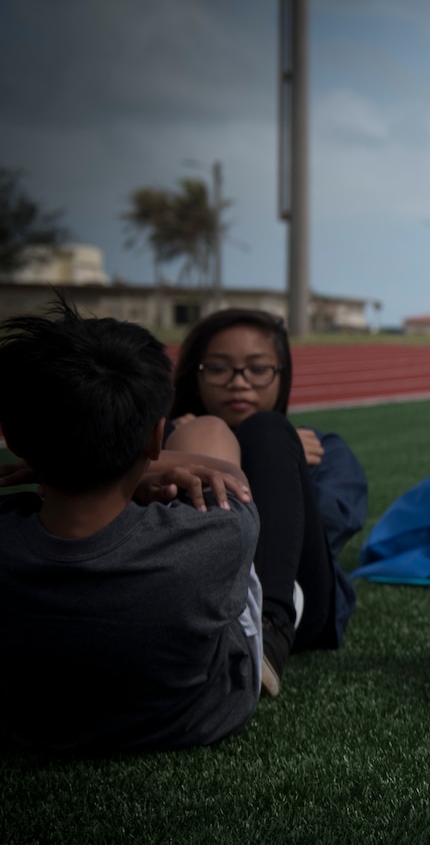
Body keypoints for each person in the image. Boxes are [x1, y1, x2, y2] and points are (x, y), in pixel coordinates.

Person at [0, 298, 263, 755]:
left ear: (13, 439)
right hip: (192, 720)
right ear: (156, 438)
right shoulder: (217, 536)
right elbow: (236, 483)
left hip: (28, 732)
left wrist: (52, 470)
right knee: (209, 431)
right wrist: (144, 470)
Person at [171, 309, 366, 691]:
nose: (239, 383)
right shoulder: (169, 440)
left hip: (300, 603)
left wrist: (279, 458)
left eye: (258, 369)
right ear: (195, 375)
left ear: (282, 375)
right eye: (218, 368)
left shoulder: (321, 448)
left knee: (267, 430)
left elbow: (330, 527)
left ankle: (266, 630)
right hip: (190, 592)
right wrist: (181, 450)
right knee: (209, 434)